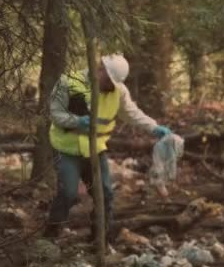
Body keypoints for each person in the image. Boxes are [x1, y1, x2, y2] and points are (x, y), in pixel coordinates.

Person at [43, 54, 171, 242]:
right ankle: (50, 235)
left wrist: (153, 127)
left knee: (105, 193)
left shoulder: (118, 90)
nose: (111, 85)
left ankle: (100, 238)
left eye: (114, 82)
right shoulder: (70, 82)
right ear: (99, 69)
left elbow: (131, 113)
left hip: (96, 148)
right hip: (67, 148)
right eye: (109, 80)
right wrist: (76, 121)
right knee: (68, 193)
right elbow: (54, 113)